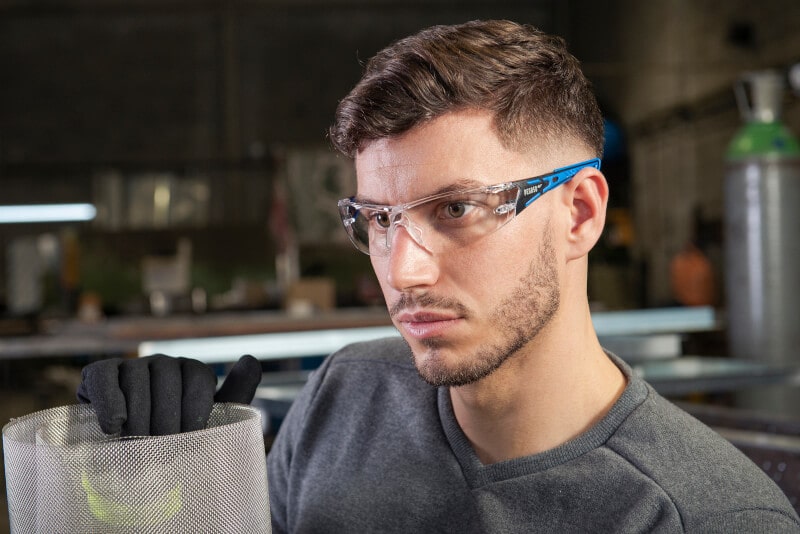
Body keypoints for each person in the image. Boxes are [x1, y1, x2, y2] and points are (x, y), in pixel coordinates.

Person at [78, 20, 800, 533]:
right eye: (380, 219)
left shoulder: (698, 516)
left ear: (579, 213)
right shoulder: (346, 397)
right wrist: (157, 487)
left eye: (456, 208)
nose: (402, 271)